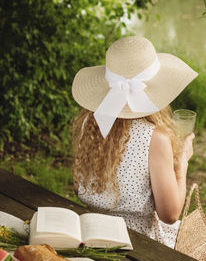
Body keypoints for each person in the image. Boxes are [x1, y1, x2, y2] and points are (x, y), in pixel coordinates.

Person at [71, 36, 198, 248]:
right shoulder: (154, 138)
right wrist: (181, 164)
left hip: (92, 229)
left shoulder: (90, 123)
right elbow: (170, 214)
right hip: (138, 242)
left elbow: (78, 187)